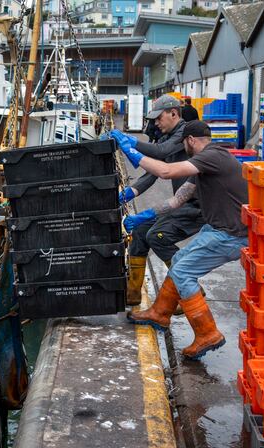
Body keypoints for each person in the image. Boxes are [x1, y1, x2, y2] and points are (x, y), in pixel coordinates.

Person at [118, 120, 249, 360]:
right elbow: (176, 201)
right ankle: (160, 312)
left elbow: (165, 172)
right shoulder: (205, 165)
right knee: (178, 259)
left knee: (183, 272)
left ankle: (207, 333)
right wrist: (144, 216)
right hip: (217, 229)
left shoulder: (213, 156)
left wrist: (132, 152)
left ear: (190, 140)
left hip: (231, 235)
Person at [110, 94, 205, 308]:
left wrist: (131, 141)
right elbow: (151, 175)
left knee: (158, 236)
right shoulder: (167, 137)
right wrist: (127, 193)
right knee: (141, 233)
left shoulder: (184, 132)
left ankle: (189, 290)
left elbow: (160, 153)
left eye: (158, 118)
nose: (155, 123)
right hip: (183, 203)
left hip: (197, 206)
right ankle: (132, 294)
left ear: (174, 113)